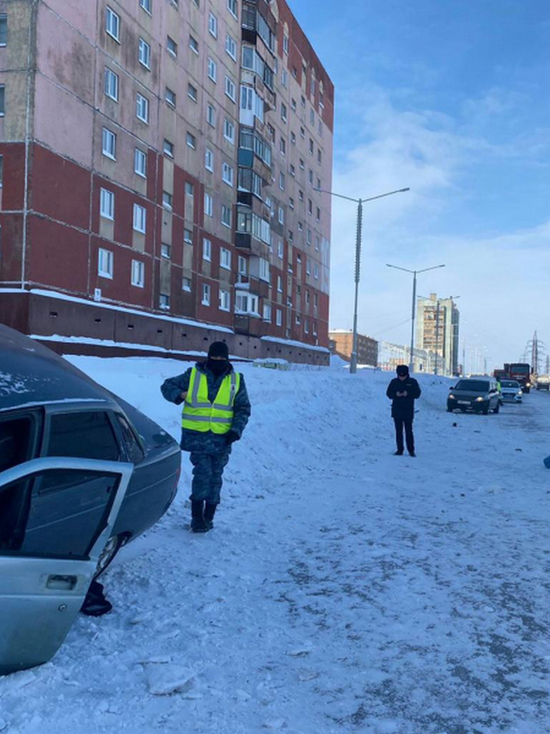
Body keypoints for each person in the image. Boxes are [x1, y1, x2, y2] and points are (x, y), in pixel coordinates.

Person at [161, 341, 251, 532]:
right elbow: (167, 386)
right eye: (214, 357)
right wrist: (180, 394)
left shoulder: (235, 380)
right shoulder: (194, 374)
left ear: (227, 359)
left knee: (215, 477)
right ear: (209, 357)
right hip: (197, 437)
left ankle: (209, 516)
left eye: (221, 358)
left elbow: (243, 408)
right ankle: (197, 518)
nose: (217, 361)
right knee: (202, 475)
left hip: (223, 438)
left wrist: (236, 430)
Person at [386, 364, 421, 457]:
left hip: (408, 411)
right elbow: (388, 393)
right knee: (398, 431)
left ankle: (411, 450)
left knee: (409, 431)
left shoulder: (413, 382)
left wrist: (408, 393)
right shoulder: (394, 382)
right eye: (400, 376)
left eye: (403, 375)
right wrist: (396, 394)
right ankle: (399, 449)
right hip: (397, 410)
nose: (402, 377)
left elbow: (417, 394)